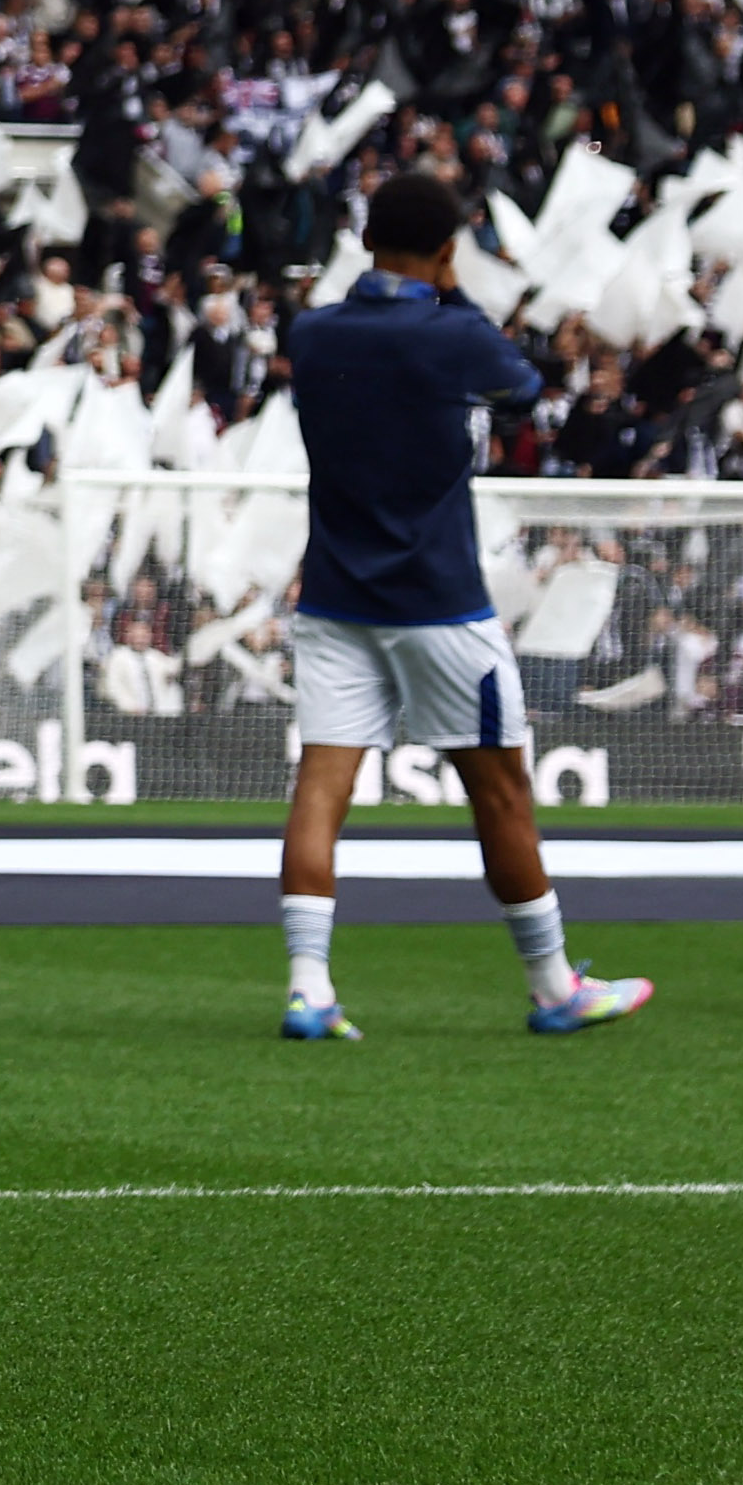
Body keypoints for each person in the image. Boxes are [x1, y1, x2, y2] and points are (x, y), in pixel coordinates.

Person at [270, 172, 651, 1042]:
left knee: (321, 789)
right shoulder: (452, 333)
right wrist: (457, 293)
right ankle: (555, 986)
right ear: (448, 252)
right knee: (502, 794)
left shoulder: (314, 329)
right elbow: (522, 386)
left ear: (365, 241)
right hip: (439, 602)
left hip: (334, 593)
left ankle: (308, 986)